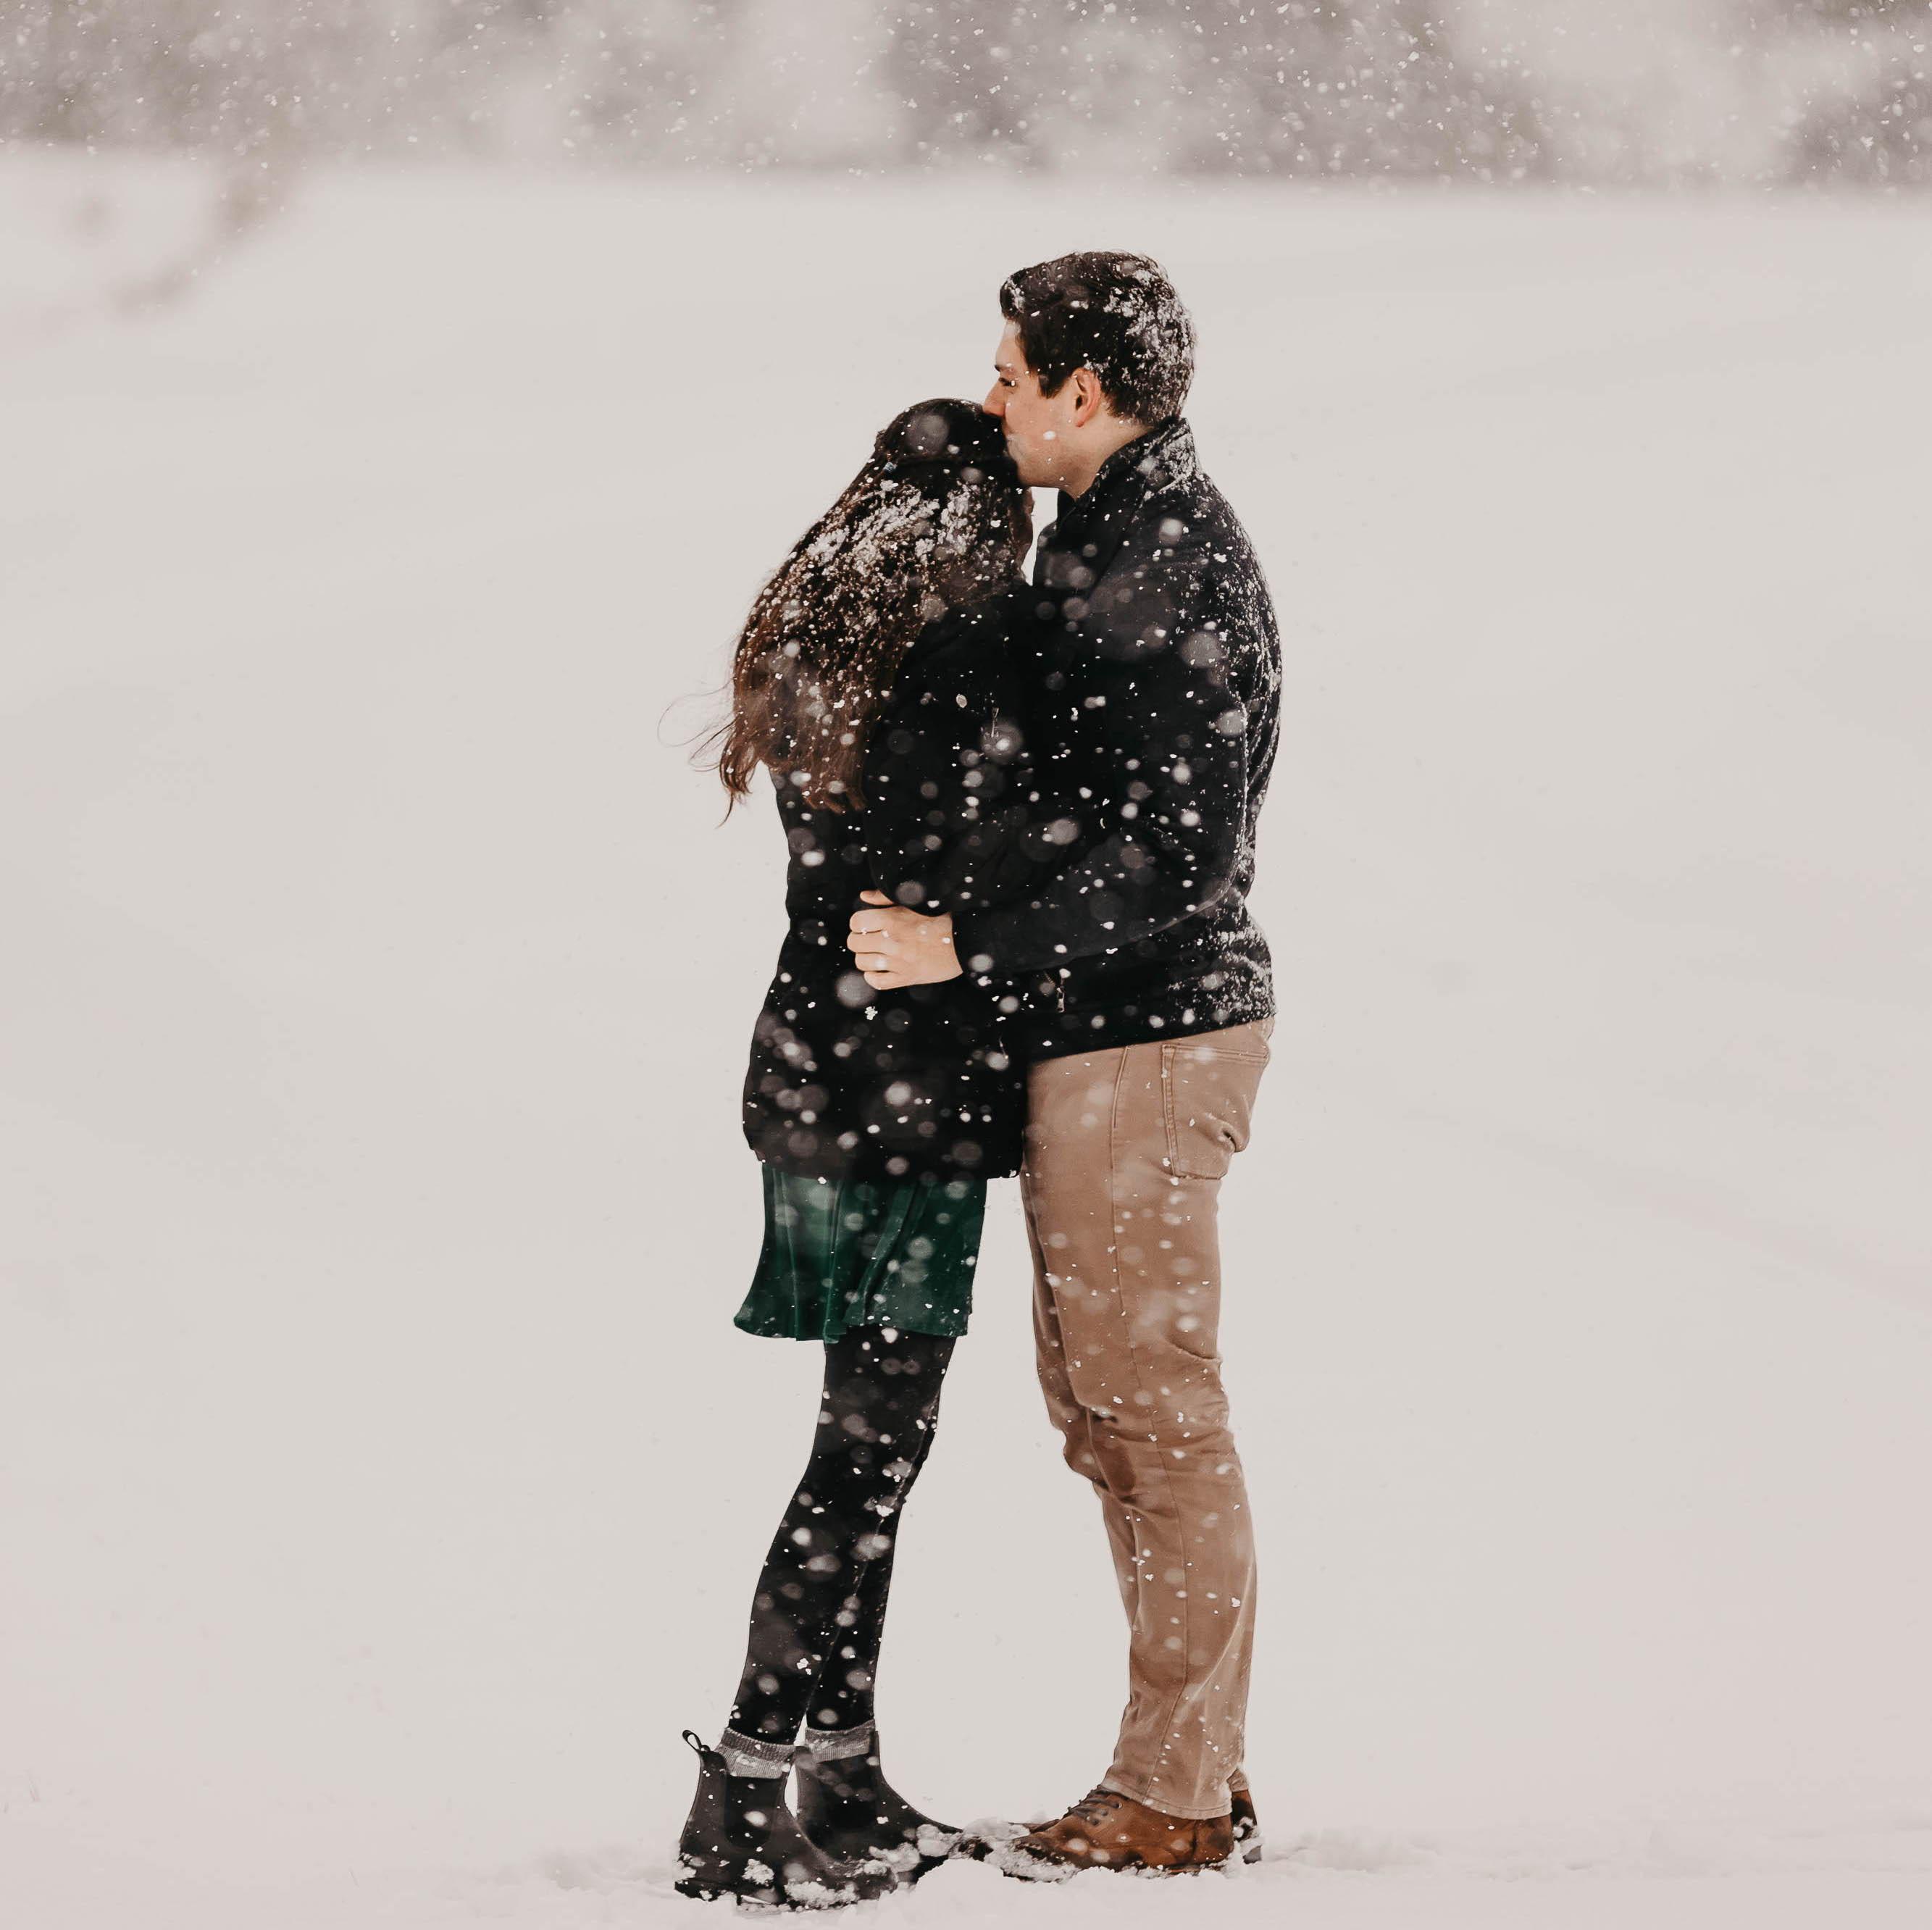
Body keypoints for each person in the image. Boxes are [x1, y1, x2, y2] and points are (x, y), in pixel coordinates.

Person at [848, 254, 1282, 1876]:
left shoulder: (1162, 560)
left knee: (1151, 1415)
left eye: (1010, 375)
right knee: (1110, 1413)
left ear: (1081, 393)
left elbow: (1176, 852)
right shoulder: (1110, 536)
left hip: (1150, 1039)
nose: (993, 400)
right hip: (1109, 1034)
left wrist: (962, 943)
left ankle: (1175, 1796)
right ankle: (1189, 1771)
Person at [676, 399, 1035, 1908]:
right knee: (869, 1450)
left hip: (810, 1076)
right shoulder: (960, 658)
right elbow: (969, 869)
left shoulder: (823, 637)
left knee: (867, 1438)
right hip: (905, 1091)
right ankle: (745, 1792)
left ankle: (843, 1766)